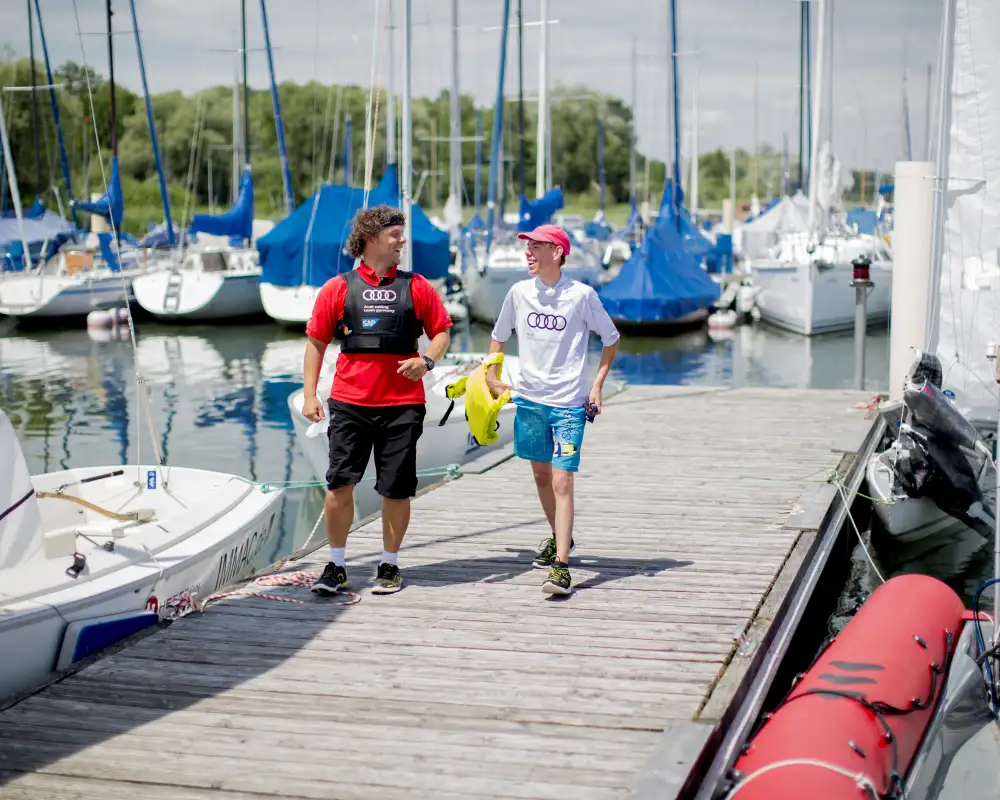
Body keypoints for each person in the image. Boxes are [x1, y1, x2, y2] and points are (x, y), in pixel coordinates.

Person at [302, 204, 453, 596]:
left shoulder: (417, 287)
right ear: (371, 239)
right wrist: (309, 395)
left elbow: (441, 333)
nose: (402, 241)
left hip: (402, 406)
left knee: (396, 489)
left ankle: (390, 564)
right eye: (395, 235)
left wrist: (427, 360)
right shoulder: (338, 288)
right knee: (339, 485)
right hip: (350, 403)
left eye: (402, 234)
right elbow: (316, 343)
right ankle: (336, 565)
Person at [486, 224, 619, 596]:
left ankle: (561, 566)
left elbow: (610, 340)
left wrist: (596, 385)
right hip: (529, 400)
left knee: (562, 480)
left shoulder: (581, 296)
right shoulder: (518, 292)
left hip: (568, 405)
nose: (527, 252)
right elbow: (498, 338)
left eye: (536, 246)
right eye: (526, 247)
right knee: (542, 477)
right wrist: (493, 378)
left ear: (557, 252)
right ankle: (563, 537)